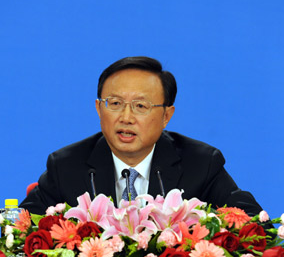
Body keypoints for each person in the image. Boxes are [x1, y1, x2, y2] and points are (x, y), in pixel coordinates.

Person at [20, 56, 262, 216]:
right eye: (114, 103)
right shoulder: (66, 166)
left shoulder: (200, 164)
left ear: (167, 115)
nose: (126, 117)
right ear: (98, 108)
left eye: (141, 106)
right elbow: (18, 233)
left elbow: (249, 220)